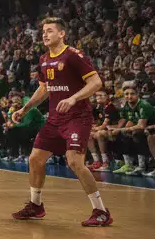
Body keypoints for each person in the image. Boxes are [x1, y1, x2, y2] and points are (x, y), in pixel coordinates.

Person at [11, 17, 111, 226]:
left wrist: (73, 98)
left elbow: (96, 82)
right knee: (35, 159)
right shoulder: (44, 59)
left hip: (77, 118)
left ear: (62, 33)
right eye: (43, 32)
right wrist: (25, 109)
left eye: (49, 31)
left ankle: (101, 211)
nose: (45, 35)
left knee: (74, 162)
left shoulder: (74, 56)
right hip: (54, 119)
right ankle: (36, 205)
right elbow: (44, 89)